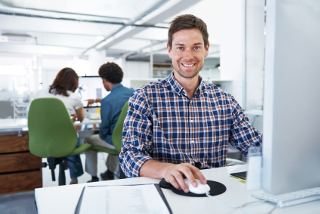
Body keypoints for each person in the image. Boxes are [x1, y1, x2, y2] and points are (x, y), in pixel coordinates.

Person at [119, 14, 262, 193]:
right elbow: (129, 157)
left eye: (196, 47)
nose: (188, 56)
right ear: (169, 50)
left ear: (206, 49)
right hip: (165, 192)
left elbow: (254, 145)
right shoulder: (145, 97)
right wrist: (166, 169)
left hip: (214, 194)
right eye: (180, 48)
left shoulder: (225, 101)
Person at [84, 62, 134, 182]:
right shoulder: (133, 92)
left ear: (105, 80)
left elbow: (104, 129)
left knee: (89, 140)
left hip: (117, 142)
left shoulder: (107, 101)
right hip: (133, 140)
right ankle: (109, 172)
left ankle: (93, 177)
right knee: (116, 137)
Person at [35, 67, 84, 184]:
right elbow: (81, 118)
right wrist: (71, 119)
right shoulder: (73, 97)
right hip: (64, 139)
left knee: (67, 137)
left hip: (42, 139)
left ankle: (65, 161)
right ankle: (74, 178)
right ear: (74, 82)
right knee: (72, 138)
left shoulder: (40, 93)